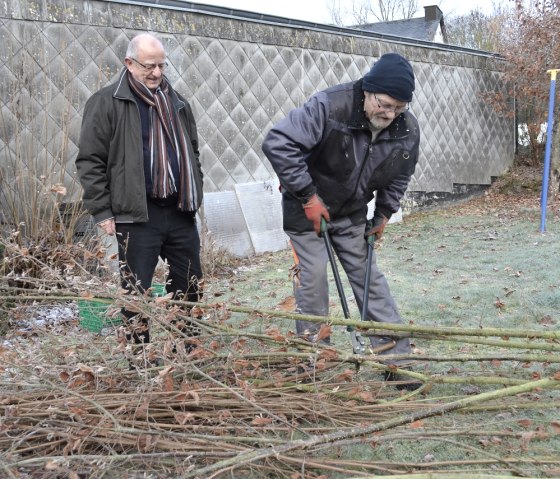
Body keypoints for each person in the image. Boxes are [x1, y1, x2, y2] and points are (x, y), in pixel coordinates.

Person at [262, 53, 420, 388]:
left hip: (350, 214)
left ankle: (397, 362)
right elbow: (278, 142)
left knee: (370, 282)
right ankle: (314, 363)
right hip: (307, 212)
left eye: (399, 109)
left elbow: (400, 174)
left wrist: (384, 214)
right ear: (369, 90)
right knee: (314, 278)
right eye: (386, 105)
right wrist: (308, 195)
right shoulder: (329, 106)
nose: (390, 115)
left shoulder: (405, 128)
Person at [76, 33, 204, 349]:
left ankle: (187, 352)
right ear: (129, 63)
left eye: (161, 65)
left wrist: (195, 188)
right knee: (136, 293)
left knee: (189, 286)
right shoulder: (106, 102)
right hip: (136, 215)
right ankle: (141, 361)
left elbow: (193, 151)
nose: (157, 73)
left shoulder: (178, 102)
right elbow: (90, 161)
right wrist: (103, 210)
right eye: (149, 66)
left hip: (179, 211)